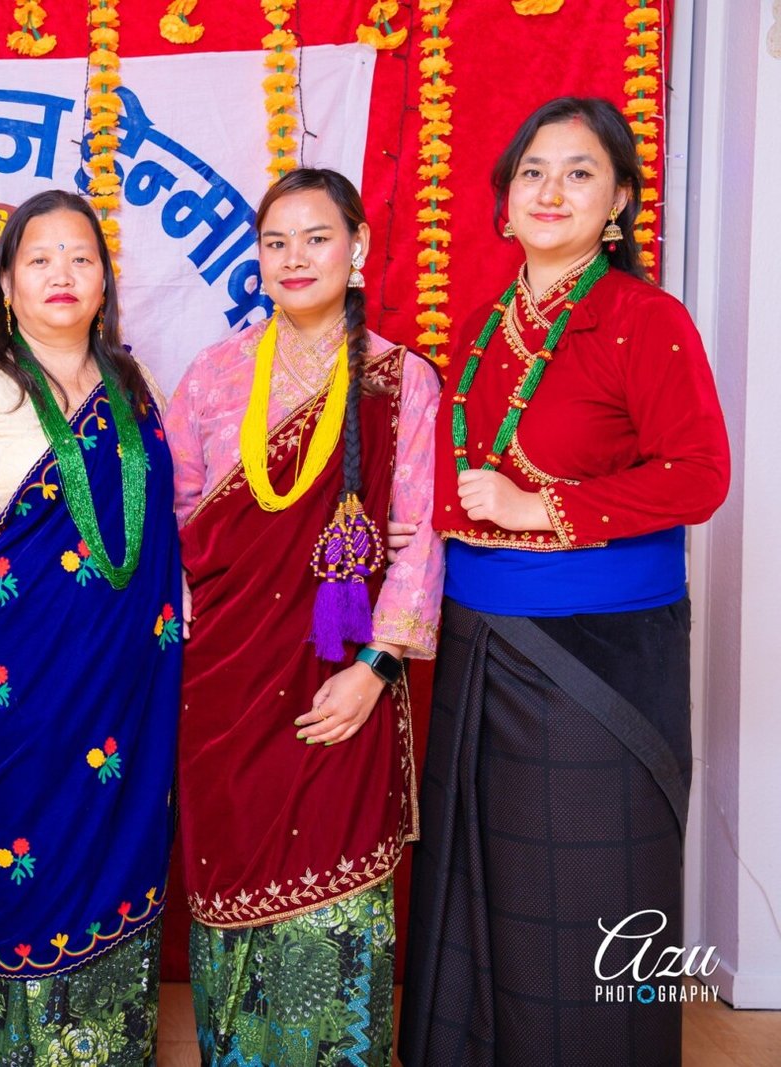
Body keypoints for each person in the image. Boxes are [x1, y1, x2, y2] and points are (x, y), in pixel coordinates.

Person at [399, 97, 729, 1067]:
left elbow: (699, 476)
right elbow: (459, 482)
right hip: (478, 642)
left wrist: (536, 507)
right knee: (483, 889)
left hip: (594, 660)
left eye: (579, 172)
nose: (550, 191)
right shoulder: (483, 323)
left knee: (588, 898)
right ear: (504, 200)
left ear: (618, 199)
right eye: (531, 172)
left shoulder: (645, 320)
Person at [168, 167, 444, 1066]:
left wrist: (376, 669)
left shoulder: (402, 381)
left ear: (357, 248)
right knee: (233, 890)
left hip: (342, 678)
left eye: (317, 237)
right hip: (224, 684)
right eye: (276, 242)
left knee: (335, 891)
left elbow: (421, 536)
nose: (295, 258)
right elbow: (174, 523)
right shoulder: (213, 376)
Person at [0, 190, 182, 1065]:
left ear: (103, 282)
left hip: (129, 684)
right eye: (39, 258)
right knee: (19, 861)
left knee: (122, 845)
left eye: (80, 257)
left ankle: (109, 1045)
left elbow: (166, 525)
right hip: (12, 687)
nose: (61, 273)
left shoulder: (133, 384)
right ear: (6, 284)